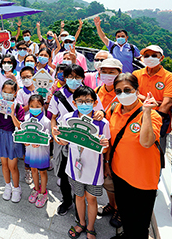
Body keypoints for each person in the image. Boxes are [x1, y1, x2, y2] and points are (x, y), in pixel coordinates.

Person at [106, 73, 162, 239]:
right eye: (119, 91)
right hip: (119, 172)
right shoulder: (114, 110)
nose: (123, 94)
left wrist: (145, 112)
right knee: (124, 212)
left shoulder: (152, 115)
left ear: (137, 90)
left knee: (140, 223)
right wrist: (107, 162)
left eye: (127, 90)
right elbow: (110, 140)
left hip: (142, 180)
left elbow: (146, 142)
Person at [53, 86, 110, 239]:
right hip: (74, 167)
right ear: (74, 102)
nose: (84, 104)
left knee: (91, 199)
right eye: (80, 101)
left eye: (88, 101)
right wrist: (57, 136)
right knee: (79, 196)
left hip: (94, 169)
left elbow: (104, 150)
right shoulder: (67, 118)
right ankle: (81, 223)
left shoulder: (102, 123)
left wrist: (104, 146)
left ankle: (91, 227)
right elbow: (64, 142)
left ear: (95, 102)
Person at [94, 58, 123, 228]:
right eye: (104, 71)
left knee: (116, 176)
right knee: (106, 178)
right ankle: (112, 205)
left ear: (119, 73)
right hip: (101, 142)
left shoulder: (123, 94)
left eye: (112, 72)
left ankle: (120, 209)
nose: (107, 75)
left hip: (118, 143)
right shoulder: (97, 91)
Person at [133, 45, 172, 151]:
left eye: (154, 55)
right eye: (147, 56)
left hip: (159, 121)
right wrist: (156, 102)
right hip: (137, 118)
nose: (150, 58)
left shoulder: (170, 77)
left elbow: (167, 103)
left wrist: (155, 121)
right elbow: (134, 95)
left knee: (157, 152)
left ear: (161, 58)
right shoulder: (136, 74)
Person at [0, 80, 25, 203]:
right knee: (4, 165)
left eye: (10, 92)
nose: (7, 95)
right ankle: (7, 185)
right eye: (4, 92)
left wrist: (13, 115)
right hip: (0, 135)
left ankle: (17, 188)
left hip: (12, 137)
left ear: (15, 93)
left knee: (13, 166)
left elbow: (20, 126)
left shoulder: (18, 106)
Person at [25, 94, 51, 208]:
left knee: (42, 172)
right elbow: (24, 134)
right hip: (30, 151)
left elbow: (50, 139)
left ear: (43, 106)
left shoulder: (46, 121)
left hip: (42, 152)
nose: (34, 108)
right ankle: (36, 188)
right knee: (33, 170)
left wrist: (40, 142)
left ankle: (43, 192)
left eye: (37, 105)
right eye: (31, 106)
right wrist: (25, 141)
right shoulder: (26, 119)